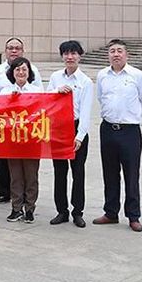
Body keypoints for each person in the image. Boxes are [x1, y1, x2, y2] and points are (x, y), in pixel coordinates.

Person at [94, 39, 142, 233]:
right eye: (112, 51)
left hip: (130, 131)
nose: (116, 54)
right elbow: (101, 98)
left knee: (131, 174)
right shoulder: (102, 75)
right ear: (108, 55)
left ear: (126, 55)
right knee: (109, 173)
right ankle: (111, 212)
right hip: (108, 129)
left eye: (119, 51)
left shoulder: (137, 75)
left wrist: (131, 116)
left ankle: (133, 216)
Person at [0, 38, 44, 204]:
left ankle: (29, 204)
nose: (14, 51)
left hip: (29, 134)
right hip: (8, 131)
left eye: (17, 48)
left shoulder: (35, 82)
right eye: (10, 48)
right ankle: (8, 197)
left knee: (30, 171)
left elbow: (44, 102)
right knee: (8, 167)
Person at [47, 40, 94, 228]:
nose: (69, 57)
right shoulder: (55, 77)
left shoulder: (85, 82)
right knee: (59, 172)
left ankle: (78, 212)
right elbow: (47, 99)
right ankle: (62, 211)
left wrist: (80, 136)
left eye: (73, 53)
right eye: (66, 53)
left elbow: (86, 111)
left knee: (78, 172)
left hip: (76, 129)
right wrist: (56, 91)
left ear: (79, 56)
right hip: (58, 129)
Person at [0, 57, 44, 223]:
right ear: (12, 72)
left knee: (31, 175)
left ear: (29, 72)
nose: (21, 72)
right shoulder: (5, 91)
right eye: (17, 69)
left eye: (24, 69)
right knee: (16, 175)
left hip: (32, 140)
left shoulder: (36, 90)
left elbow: (43, 112)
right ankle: (16, 208)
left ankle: (30, 208)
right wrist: (10, 100)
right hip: (13, 140)